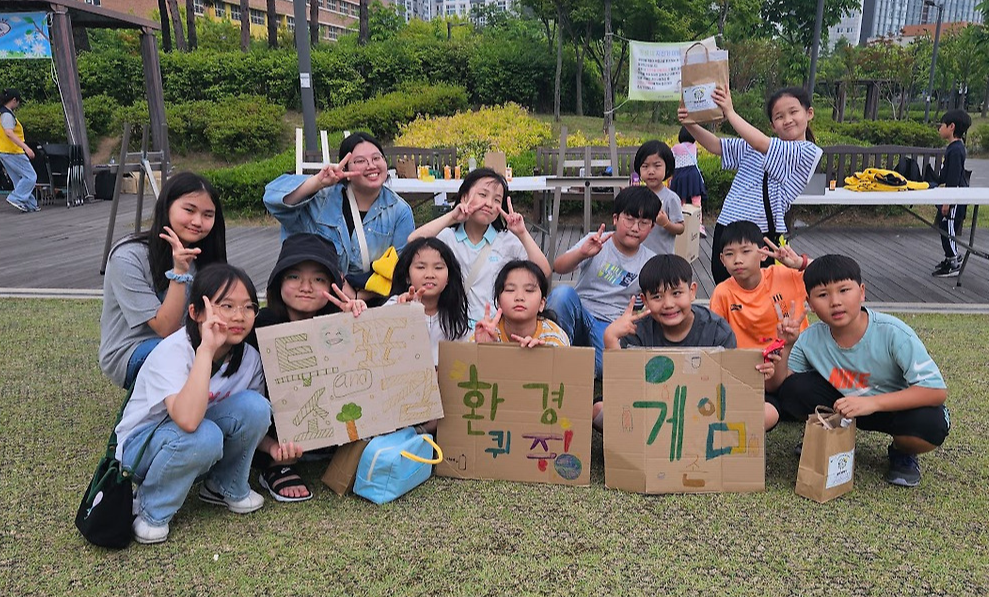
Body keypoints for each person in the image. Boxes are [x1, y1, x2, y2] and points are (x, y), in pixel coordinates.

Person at [115, 264, 272, 544]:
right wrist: (207, 350)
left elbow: (249, 421)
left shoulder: (248, 357)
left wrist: (274, 448)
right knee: (203, 433)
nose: (239, 316)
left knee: (257, 406)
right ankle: (151, 510)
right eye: (227, 306)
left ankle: (223, 485)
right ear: (196, 312)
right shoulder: (174, 350)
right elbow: (188, 420)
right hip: (140, 450)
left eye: (249, 307)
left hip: (198, 440)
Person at [769, 255, 949, 487]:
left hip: (892, 408)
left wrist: (871, 403)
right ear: (810, 303)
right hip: (843, 408)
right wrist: (786, 346)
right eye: (823, 295)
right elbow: (781, 386)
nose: (835, 302)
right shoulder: (810, 338)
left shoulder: (893, 332)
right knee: (794, 389)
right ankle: (830, 437)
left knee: (931, 423)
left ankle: (902, 452)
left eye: (844, 290)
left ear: (861, 292)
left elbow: (935, 391)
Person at [249, 233, 365, 503]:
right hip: (276, 434)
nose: (306, 287)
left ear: (333, 285)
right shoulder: (259, 325)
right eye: (294, 277)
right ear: (278, 281)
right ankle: (274, 465)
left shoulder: (340, 324)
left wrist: (358, 321)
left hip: (332, 430)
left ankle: (327, 448)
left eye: (319, 279)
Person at [603, 254, 778, 431]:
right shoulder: (637, 331)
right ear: (645, 300)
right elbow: (623, 387)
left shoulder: (717, 330)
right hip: (653, 410)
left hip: (707, 410)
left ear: (692, 291)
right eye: (657, 297)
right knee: (600, 410)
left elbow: (731, 385)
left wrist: (754, 374)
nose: (668, 304)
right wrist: (611, 339)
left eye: (676, 293)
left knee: (769, 412)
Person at [680, 86, 823, 284]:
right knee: (726, 288)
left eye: (793, 112)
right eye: (779, 116)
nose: (787, 120)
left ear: (809, 113)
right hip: (726, 226)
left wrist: (730, 112)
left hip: (759, 233)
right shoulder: (758, 145)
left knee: (757, 293)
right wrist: (689, 123)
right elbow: (716, 145)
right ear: (772, 125)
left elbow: (760, 143)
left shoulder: (807, 152)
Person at [100, 172, 227, 389]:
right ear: (167, 207)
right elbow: (165, 329)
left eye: (208, 215)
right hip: (133, 350)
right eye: (189, 210)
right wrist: (179, 272)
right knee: (174, 356)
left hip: (191, 345)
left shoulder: (206, 257)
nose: (198, 222)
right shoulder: (127, 256)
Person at [264, 132, 414, 298]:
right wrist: (317, 182)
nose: (371, 165)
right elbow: (273, 200)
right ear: (345, 169)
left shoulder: (399, 211)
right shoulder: (320, 199)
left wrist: (357, 297)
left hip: (369, 301)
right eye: (360, 161)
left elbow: (400, 271)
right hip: (312, 297)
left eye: (376, 158)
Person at [407, 168, 550, 325]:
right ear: (464, 196)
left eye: (497, 200)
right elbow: (413, 242)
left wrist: (522, 234)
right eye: (483, 195)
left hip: (494, 327)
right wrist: (451, 217)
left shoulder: (507, 240)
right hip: (454, 327)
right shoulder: (448, 237)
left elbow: (544, 271)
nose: (489, 204)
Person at [546, 185, 659, 378]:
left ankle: (574, 362)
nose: (635, 228)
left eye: (643, 223)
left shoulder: (650, 261)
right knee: (561, 294)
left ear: (652, 227)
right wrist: (582, 254)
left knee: (603, 369)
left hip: (611, 325)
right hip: (581, 312)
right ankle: (554, 355)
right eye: (629, 219)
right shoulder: (596, 241)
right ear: (615, 218)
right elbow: (558, 267)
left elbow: (650, 304)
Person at [709, 220, 811, 350]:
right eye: (729, 254)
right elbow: (715, 339)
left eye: (746, 251)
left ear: (763, 254)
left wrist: (800, 263)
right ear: (722, 259)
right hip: (745, 360)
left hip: (793, 357)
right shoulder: (722, 293)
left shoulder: (786, 276)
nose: (737, 260)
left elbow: (833, 273)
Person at [386, 237, 471, 367]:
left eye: (438, 267)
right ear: (407, 276)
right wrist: (402, 313)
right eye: (421, 267)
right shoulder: (394, 306)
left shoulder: (456, 317)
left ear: (448, 277)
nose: (430, 274)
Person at [472, 259, 570, 348]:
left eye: (529, 290)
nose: (519, 297)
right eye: (510, 290)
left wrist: (539, 355)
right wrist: (484, 348)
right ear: (499, 303)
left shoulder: (554, 337)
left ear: (542, 304)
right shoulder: (486, 332)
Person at [931, 109, 972, 278]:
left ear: (952, 127)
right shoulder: (954, 148)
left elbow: (954, 178)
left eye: (942, 125)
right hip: (952, 194)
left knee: (947, 228)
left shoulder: (955, 150)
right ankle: (950, 257)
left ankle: (953, 261)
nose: (939, 128)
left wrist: (948, 201)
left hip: (955, 197)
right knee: (945, 227)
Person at [634, 140, 685, 256]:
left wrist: (666, 223)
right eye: (645, 166)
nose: (651, 171)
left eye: (657, 166)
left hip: (662, 257)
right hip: (639, 256)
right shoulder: (637, 195)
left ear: (667, 168)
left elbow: (681, 228)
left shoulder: (670, 198)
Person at [0, 88, 39, 213]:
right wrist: (26, 147)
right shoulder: (7, 115)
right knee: (30, 176)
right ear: (14, 100)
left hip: (4, 150)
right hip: (13, 151)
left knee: (18, 179)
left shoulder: (2, 113)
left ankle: (30, 204)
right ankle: (16, 198)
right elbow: (9, 133)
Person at [670, 126, 709, 238]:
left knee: (680, 201)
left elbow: (671, 159)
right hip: (693, 175)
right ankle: (699, 225)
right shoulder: (694, 147)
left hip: (679, 175)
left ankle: (680, 223)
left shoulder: (675, 148)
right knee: (696, 200)